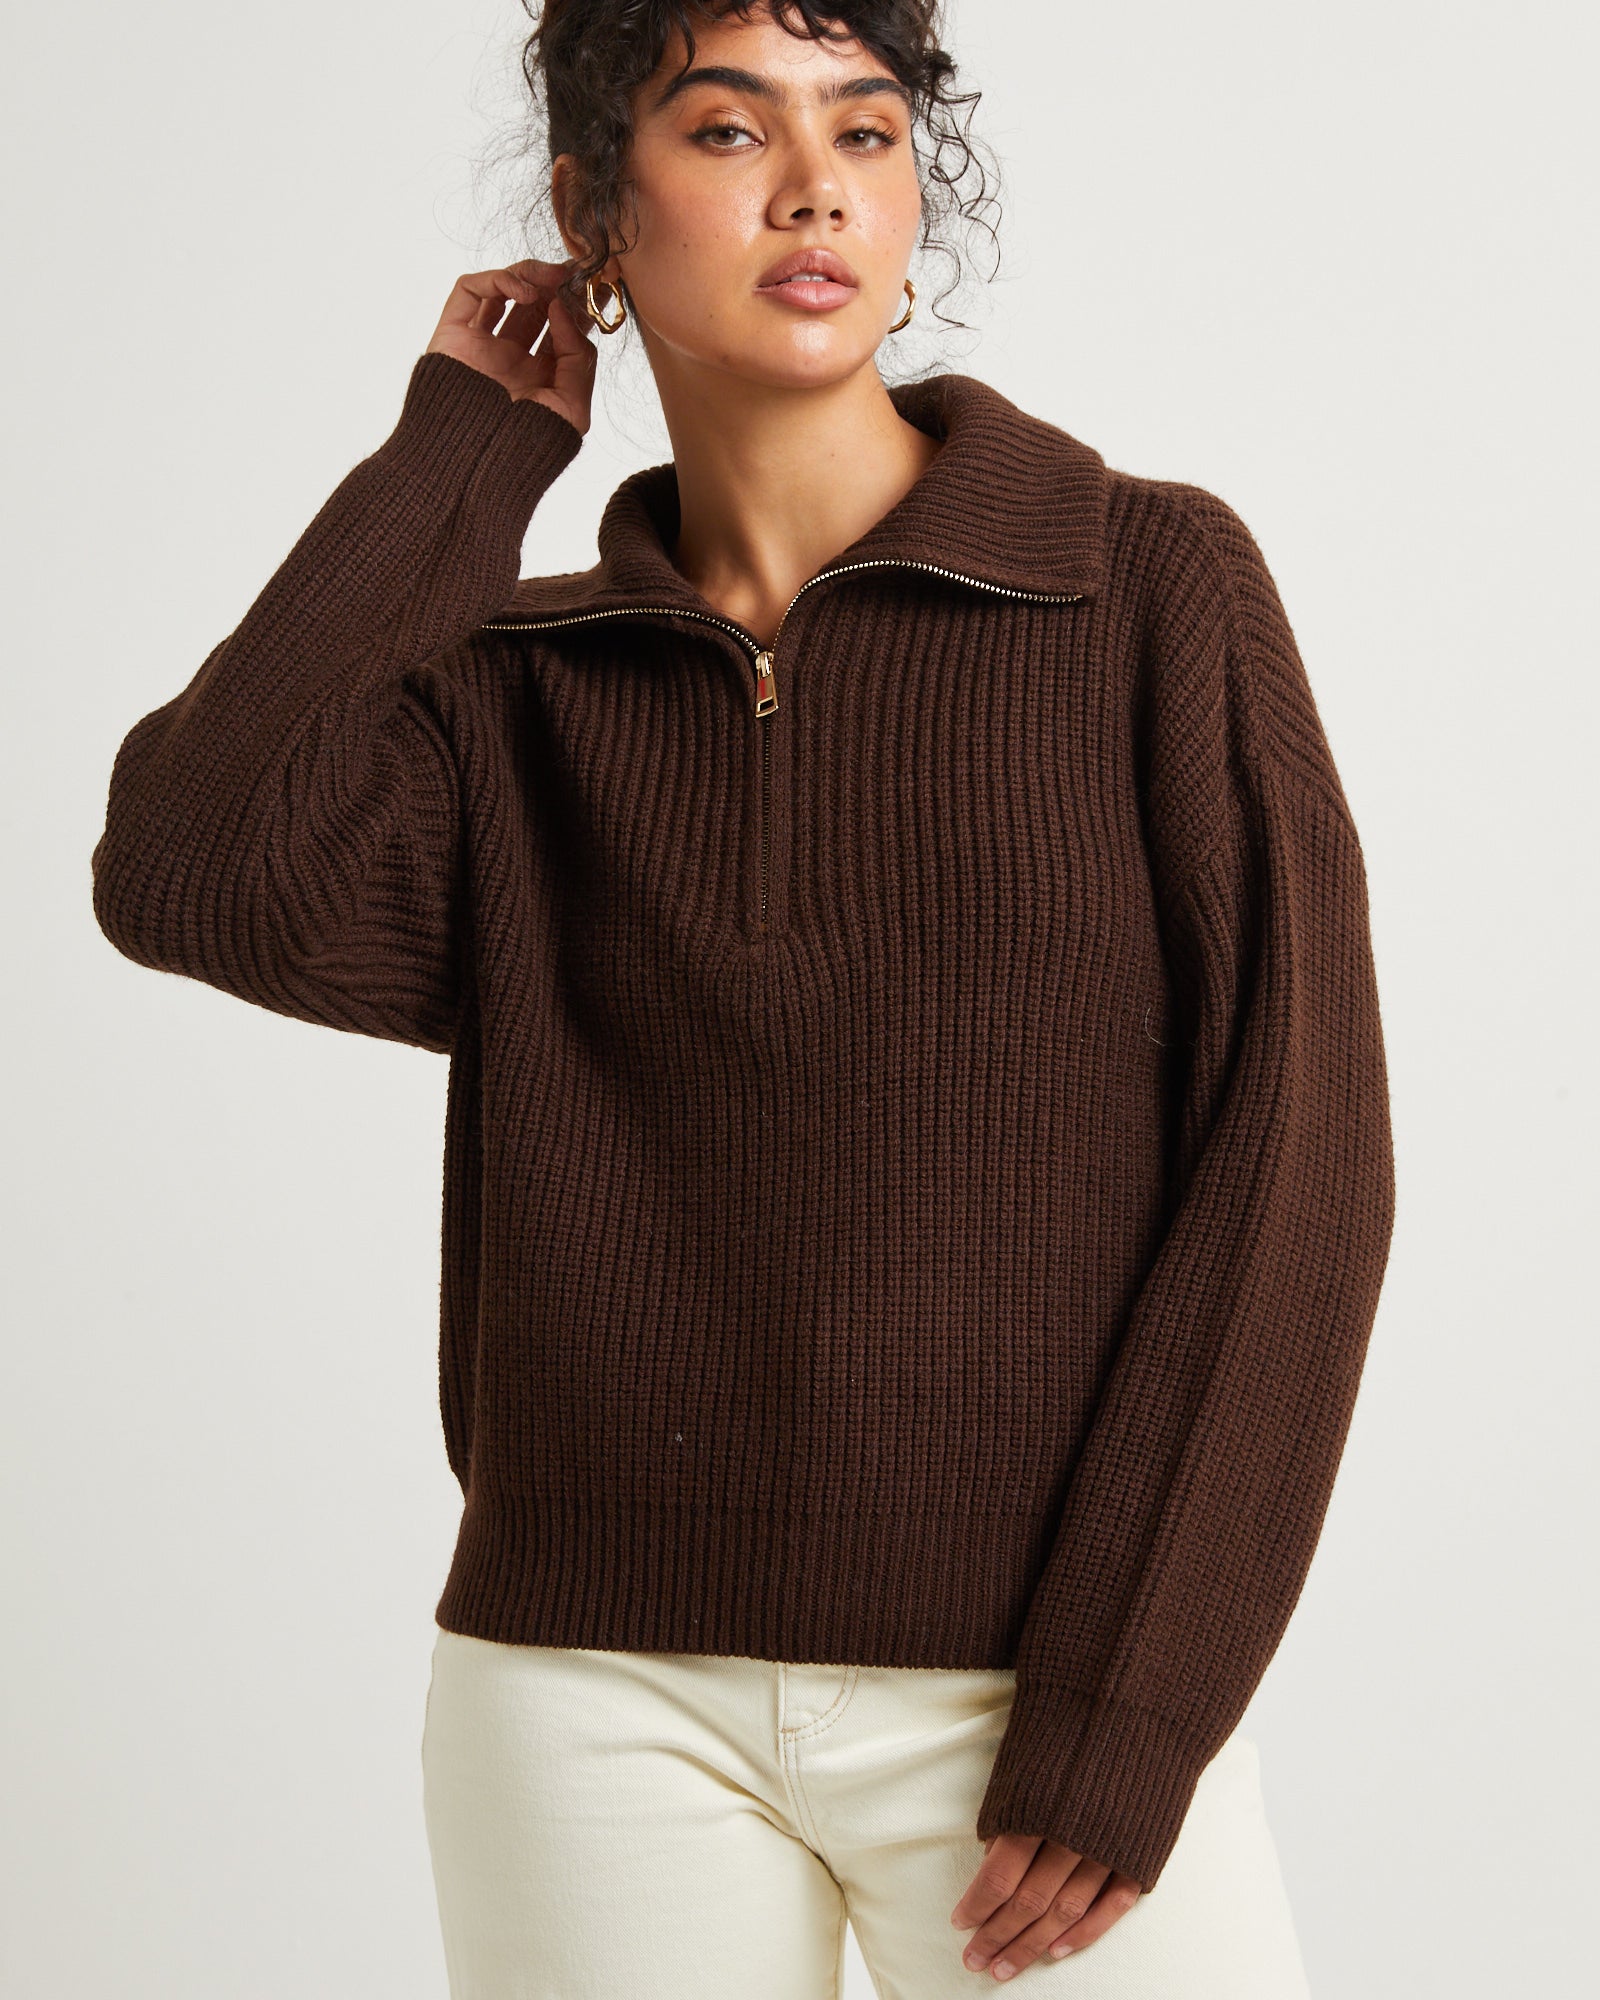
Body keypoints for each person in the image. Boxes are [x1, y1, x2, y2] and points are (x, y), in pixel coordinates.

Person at [89, 2, 1395, 1993]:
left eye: (863, 132)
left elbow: (1295, 1162)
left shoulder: (1142, 588)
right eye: (724, 131)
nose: (813, 191)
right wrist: (461, 457)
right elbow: (193, 871)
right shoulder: (515, 693)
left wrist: (1134, 1702)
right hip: (588, 1702)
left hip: (1036, 1691)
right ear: (590, 210)